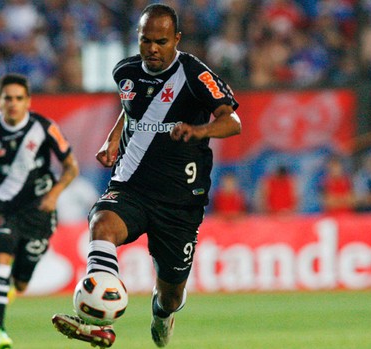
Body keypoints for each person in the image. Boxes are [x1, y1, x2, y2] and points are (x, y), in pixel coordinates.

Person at [51, 4, 241, 348]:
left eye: (161, 41)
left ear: (176, 39)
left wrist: (200, 131)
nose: (152, 48)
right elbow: (131, 110)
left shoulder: (196, 75)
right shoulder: (125, 72)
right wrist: (112, 139)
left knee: (171, 294)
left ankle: (162, 314)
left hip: (179, 202)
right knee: (102, 223)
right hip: (131, 186)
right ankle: (96, 322)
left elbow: (233, 121)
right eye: (145, 40)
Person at [0, 73, 79, 349]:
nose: (12, 103)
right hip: (1, 206)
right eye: (7, 98)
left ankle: (12, 284)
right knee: (0, 258)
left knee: (21, 283)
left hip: (38, 211)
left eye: (18, 98)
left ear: (28, 102)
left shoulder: (45, 128)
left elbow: (71, 166)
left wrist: (54, 193)